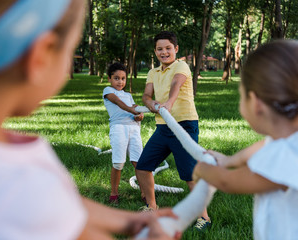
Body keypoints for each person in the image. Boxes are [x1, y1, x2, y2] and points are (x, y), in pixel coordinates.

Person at [0, 1, 181, 239]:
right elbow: (47, 203)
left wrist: (128, 221)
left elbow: (58, 204)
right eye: (69, 51)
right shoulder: (17, 182)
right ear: (40, 56)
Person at [193, 40, 298, 240]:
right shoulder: (287, 145)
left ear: (256, 103)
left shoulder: (282, 156)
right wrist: (228, 160)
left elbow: (227, 182)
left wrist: (202, 170)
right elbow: (262, 148)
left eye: (241, 96)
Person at [135, 31, 211, 230]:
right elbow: (146, 95)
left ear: (176, 49)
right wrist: (150, 103)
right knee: (142, 167)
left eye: (168, 48)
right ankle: (151, 207)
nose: (164, 52)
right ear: (155, 51)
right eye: (160, 49)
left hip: (184, 126)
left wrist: (169, 103)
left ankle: (204, 218)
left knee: (189, 175)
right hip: (163, 127)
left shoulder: (181, 65)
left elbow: (176, 84)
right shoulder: (153, 72)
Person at [103, 62, 144, 204]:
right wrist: (132, 110)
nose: (120, 82)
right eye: (116, 78)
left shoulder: (128, 95)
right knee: (118, 162)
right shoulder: (108, 91)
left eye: (123, 78)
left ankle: (145, 192)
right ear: (109, 78)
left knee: (139, 161)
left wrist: (139, 115)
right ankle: (114, 193)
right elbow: (119, 103)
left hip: (134, 129)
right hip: (119, 128)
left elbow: (135, 109)